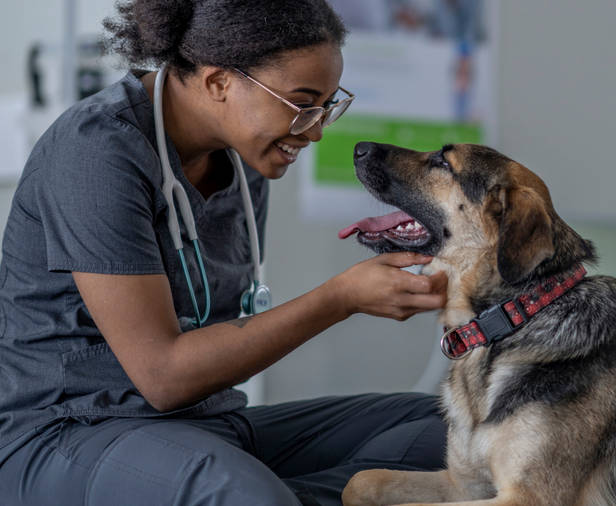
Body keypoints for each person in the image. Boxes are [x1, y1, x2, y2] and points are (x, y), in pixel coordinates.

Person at [0, 1, 449, 505]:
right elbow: (164, 377)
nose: (317, 130)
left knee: (452, 429)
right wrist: (338, 299)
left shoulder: (243, 162)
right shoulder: (97, 153)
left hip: (206, 427)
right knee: (233, 487)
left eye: (327, 105)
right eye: (303, 103)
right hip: (70, 433)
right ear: (219, 83)